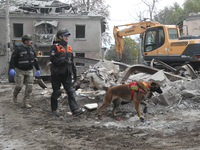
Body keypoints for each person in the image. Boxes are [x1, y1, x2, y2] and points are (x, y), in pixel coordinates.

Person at [50, 28, 84, 117]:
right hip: (56, 74)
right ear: (60, 37)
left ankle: (75, 110)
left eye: (67, 36)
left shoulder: (69, 48)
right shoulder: (55, 46)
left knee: (71, 91)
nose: (67, 37)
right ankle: (54, 109)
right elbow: (53, 59)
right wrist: (64, 61)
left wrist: (75, 75)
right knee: (57, 92)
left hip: (67, 74)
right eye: (65, 36)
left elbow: (72, 62)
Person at [9, 34, 40, 108]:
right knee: (19, 86)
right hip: (20, 70)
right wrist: (11, 68)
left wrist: (38, 69)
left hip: (29, 70)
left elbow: (35, 60)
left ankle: (26, 102)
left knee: (29, 87)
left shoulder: (32, 49)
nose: (31, 42)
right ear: (26, 41)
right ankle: (15, 95)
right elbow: (12, 59)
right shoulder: (18, 49)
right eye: (30, 40)